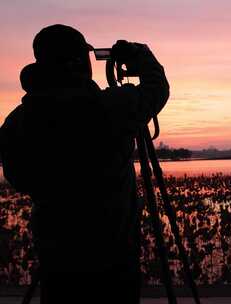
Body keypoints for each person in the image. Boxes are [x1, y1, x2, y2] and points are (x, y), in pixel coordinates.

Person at [0, 24, 169, 303]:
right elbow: (157, 90)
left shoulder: (17, 121)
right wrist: (143, 56)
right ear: (80, 62)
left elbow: (18, 178)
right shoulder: (111, 106)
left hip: (57, 254)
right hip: (113, 255)